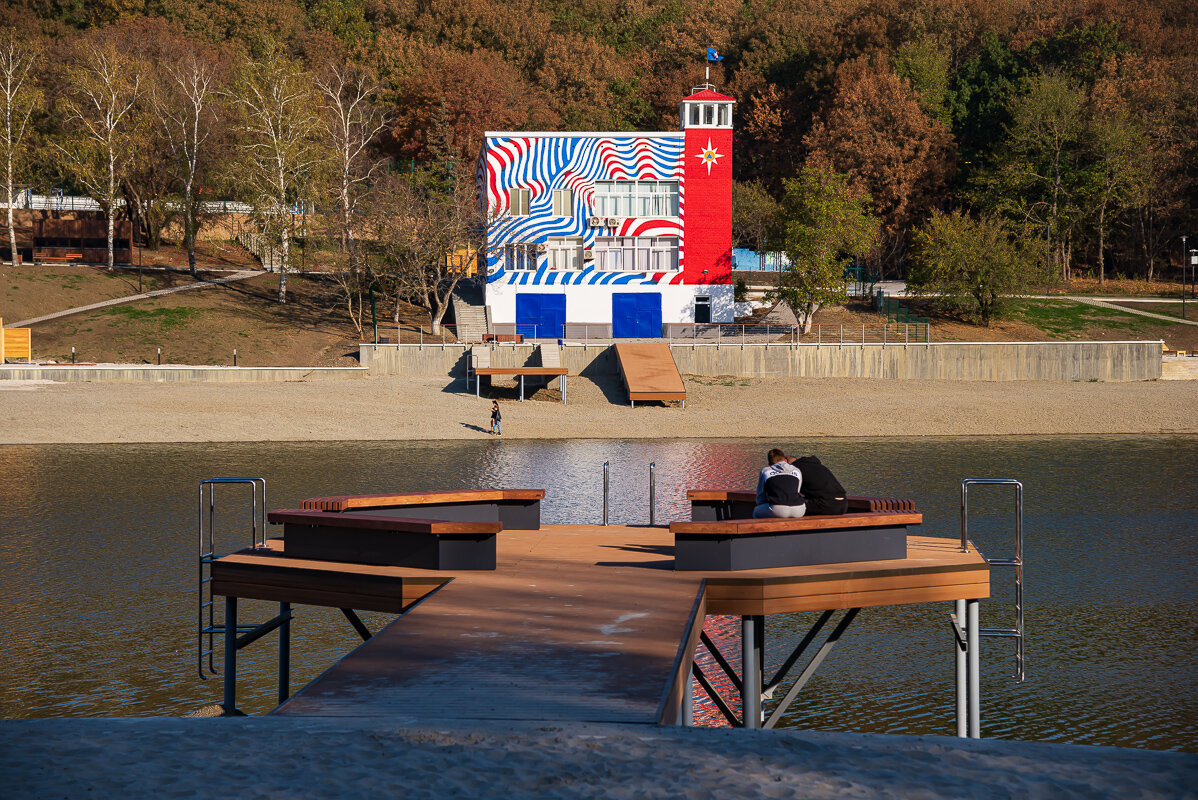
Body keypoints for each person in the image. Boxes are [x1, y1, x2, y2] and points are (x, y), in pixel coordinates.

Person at [753, 448, 806, 518]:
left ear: (769, 464)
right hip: (799, 509)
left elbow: (760, 496)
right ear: (785, 460)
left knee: (756, 511)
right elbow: (797, 491)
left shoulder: (765, 471)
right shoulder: (797, 470)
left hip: (777, 509)